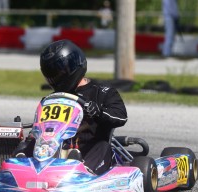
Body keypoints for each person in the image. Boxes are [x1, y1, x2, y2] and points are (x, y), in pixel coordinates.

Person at [16, 40, 128, 175]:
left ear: (74, 65)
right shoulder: (52, 99)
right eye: (51, 73)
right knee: (30, 142)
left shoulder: (102, 92)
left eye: (59, 72)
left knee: (102, 145)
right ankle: (20, 165)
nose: (55, 77)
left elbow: (121, 116)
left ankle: (84, 171)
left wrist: (99, 113)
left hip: (90, 149)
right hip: (55, 149)